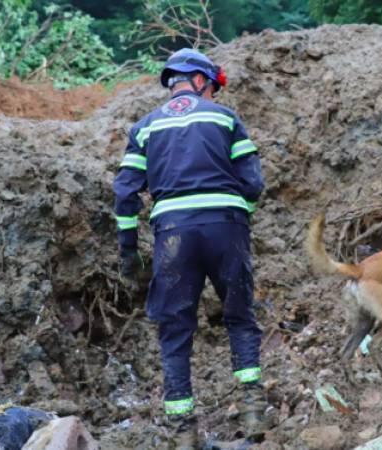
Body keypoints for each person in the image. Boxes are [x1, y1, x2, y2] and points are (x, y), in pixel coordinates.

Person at [113, 48, 267, 448]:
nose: (212, 95)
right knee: (239, 316)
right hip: (225, 226)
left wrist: (128, 248)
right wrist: (239, 218)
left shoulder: (145, 127)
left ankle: (183, 433)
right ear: (200, 80)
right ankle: (252, 410)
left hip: (172, 236)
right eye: (212, 87)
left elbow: (125, 192)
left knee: (175, 329)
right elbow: (252, 183)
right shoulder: (224, 117)